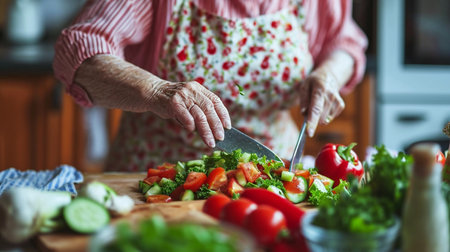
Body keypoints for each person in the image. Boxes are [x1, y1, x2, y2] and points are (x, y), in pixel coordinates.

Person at [53, 0, 367, 171]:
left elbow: (344, 42)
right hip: (155, 174)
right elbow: (80, 49)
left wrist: (329, 74)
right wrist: (158, 92)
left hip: (270, 175)